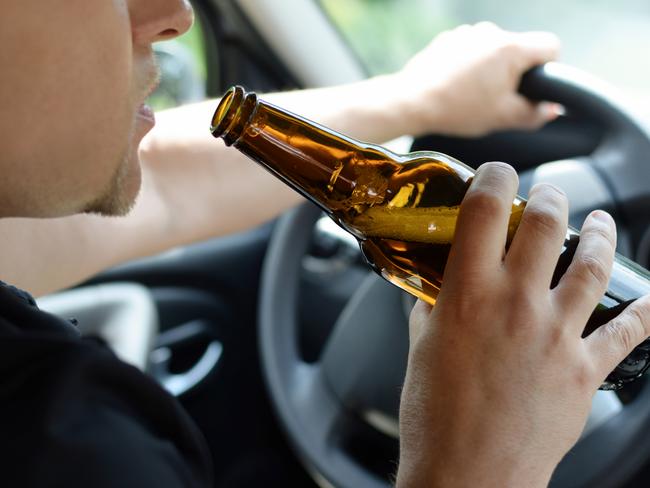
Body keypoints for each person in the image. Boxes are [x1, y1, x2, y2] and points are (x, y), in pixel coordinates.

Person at [1, 1, 649, 487]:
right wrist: (477, 458)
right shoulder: (64, 447)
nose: (175, 16)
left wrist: (420, 96)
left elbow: (167, 187)